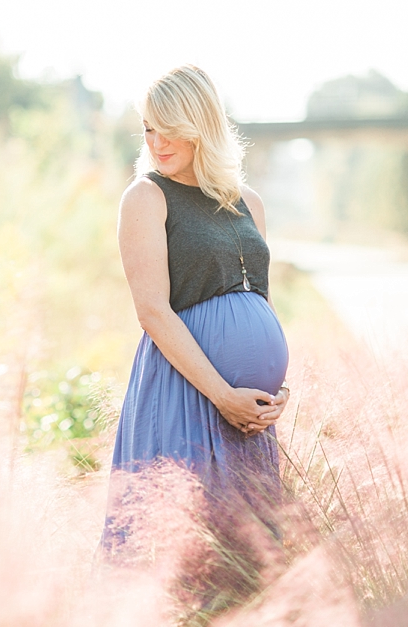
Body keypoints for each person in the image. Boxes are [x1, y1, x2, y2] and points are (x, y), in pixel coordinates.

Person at [99, 65, 290, 560]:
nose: (157, 141)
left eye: (170, 127)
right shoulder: (146, 197)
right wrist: (224, 395)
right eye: (147, 127)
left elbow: (261, 304)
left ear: (202, 124)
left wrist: (274, 392)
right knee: (184, 557)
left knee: (250, 562)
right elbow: (153, 312)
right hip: (186, 393)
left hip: (248, 412)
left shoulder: (249, 203)